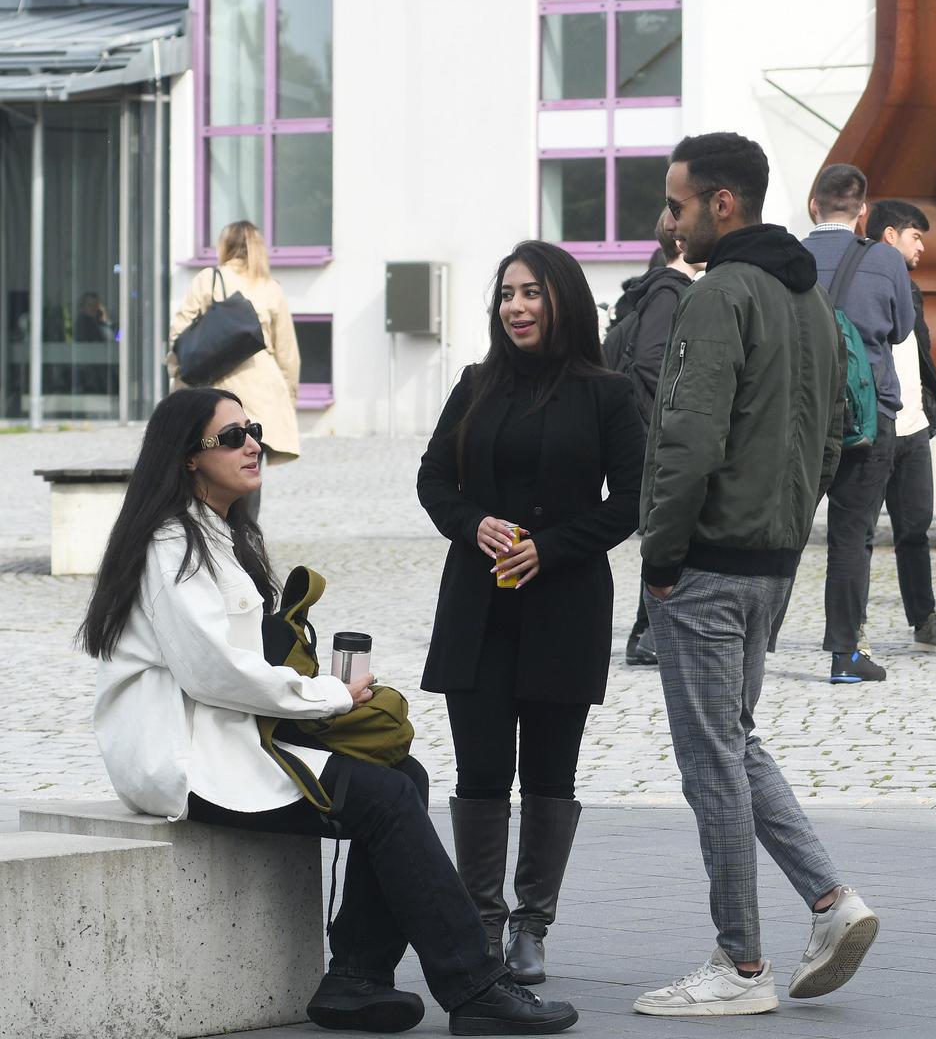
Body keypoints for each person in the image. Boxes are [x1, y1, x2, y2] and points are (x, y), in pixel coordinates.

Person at [86, 388, 577, 1034]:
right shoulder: (172, 545)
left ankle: (356, 979)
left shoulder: (216, 534)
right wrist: (329, 697)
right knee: (383, 797)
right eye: (231, 437)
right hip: (185, 756)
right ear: (187, 459)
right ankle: (475, 986)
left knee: (402, 777)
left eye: (252, 429)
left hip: (229, 738)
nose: (253, 444)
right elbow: (214, 673)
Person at [635, 132, 880, 1017]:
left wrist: (659, 556)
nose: (668, 220)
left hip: (706, 563)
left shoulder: (721, 297)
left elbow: (686, 442)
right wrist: (787, 529)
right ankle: (830, 902)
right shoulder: (809, 303)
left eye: (677, 203)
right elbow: (834, 435)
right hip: (773, 561)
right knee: (736, 741)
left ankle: (740, 966)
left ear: (721, 203)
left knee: (711, 761)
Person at [417, 240, 645, 988]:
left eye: (532, 293)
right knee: (482, 768)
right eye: (508, 294)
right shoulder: (476, 384)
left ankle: (531, 924)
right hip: (477, 606)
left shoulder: (607, 393)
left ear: (563, 302)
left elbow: (632, 501)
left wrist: (551, 549)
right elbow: (433, 478)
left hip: (565, 605)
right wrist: (471, 522)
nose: (516, 306)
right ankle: (481, 921)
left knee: (551, 771)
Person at [802, 164, 915, 683]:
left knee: (781, 531)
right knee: (852, 536)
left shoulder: (791, 260)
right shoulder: (886, 259)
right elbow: (900, 330)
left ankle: (750, 644)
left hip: (799, 416)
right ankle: (845, 655)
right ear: (863, 212)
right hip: (868, 416)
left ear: (813, 205)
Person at [604, 206, 703, 667]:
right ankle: (647, 633)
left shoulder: (666, 288)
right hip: (658, 435)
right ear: (681, 242)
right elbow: (650, 364)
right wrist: (668, 422)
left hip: (655, 433)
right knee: (667, 534)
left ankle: (650, 632)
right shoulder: (670, 291)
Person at [863, 199, 936, 653]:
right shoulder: (860, 283)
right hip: (871, 425)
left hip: (913, 428)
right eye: (915, 236)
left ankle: (924, 621)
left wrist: (927, 411)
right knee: (858, 532)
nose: (922, 246)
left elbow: (920, 357)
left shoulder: (913, 289)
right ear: (889, 235)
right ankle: (851, 624)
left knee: (915, 530)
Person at [168, 220, 302, 470]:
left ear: (225, 246)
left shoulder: (209, 279)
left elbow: (179, 332)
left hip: (216, 388)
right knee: (249, 471)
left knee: (211, 467)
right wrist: (287, 400)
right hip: (262, 391)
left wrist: (178, 376)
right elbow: (288, 355)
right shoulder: (271, 289)